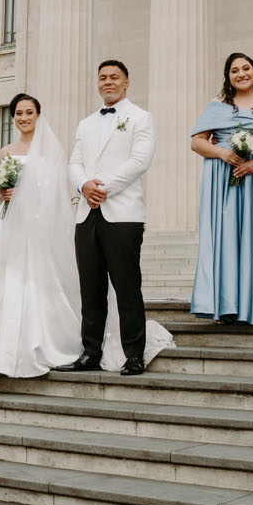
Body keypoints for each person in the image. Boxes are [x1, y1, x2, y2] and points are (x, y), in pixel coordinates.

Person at [0, 92, 171, 383]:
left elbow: (52, 192)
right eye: (18, 113)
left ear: (38, 115)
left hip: (39, 225)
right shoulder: (6, 151)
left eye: (29, 112)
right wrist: (2, 192)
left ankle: (46, 349)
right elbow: (1, 189)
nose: (23, 118)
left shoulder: (51, 150)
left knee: (39, 285)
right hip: (6, 225)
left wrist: (26, 198)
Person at [62, 60, 158, 376]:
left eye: (114, 77)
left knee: (127, 287)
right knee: (90, 289)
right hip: (86, 213)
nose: (108, 82)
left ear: (126, 82)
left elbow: (140, 161)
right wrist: (83, 185)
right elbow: (74, 162)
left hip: (123, 214)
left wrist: (102, 188)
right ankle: (90, 351)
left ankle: (134, 354)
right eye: (102, 77)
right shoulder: (85, 123)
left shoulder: (141, 118)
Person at [189, 52, 253, 324]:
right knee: (223, 235)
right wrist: (223, 153)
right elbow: (197, 142)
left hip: (251, 179)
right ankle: (224, 305)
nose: (241, 74)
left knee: (251, 234)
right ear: (228, 76)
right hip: (220, 177)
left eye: (246, 68)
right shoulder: (216, 104)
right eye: (234, 70)